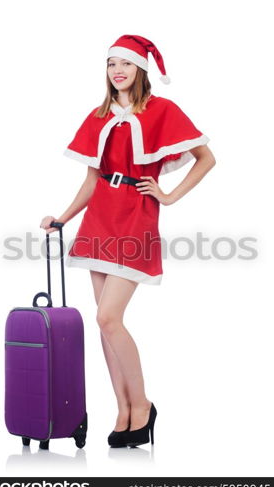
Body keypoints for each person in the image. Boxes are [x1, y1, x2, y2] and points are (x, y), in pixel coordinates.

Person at [40, 34, 216, 448]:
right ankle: (122, 410)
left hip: (135, 217)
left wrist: (169, 196)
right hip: (99, 219)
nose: (117, 71)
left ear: (141, 70)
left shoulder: (162, 110)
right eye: (110, 64)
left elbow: (206, 158)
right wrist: (62, 218)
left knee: (108, 318)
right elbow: (91, 178)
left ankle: (143, 405)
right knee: (106, 325)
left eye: (126, 64)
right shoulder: (99, 114)